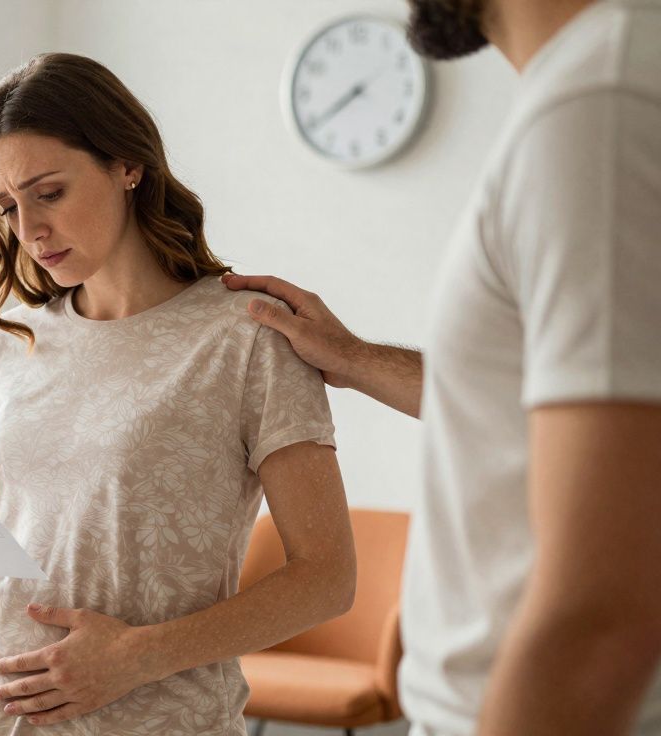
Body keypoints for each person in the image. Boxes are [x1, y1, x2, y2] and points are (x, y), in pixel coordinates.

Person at [0, 53, 356, 735]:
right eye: (8, 207)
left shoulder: (248, 335)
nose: (28, 230)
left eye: (48, 192)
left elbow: (327, 578)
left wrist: (136, 658)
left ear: (126, 165)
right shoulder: (15, 338)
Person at [224, 0, 661, 734]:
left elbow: (603, 608)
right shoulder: (591, 93)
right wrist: (355, 359)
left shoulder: (599, 107)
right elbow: (530, 406)